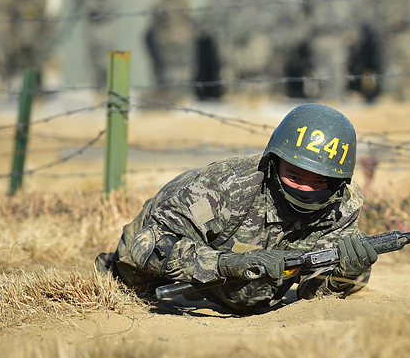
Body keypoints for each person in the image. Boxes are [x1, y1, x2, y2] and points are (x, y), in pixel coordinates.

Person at [94, 103, 378, 314]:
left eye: (319, 181)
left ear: (339, 183)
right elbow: (147, 245)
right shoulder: (225, 187)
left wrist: (345, 276)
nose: (304, 189)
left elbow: (310, 292)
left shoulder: (342, 206)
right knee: (132, 281)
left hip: (246, 296)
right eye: (294, 176)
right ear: (273, 163)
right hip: (157, 272)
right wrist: (225, 264)